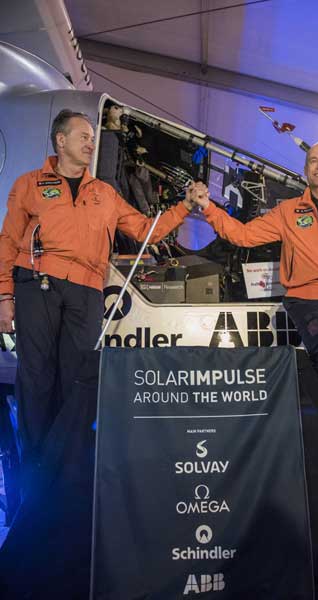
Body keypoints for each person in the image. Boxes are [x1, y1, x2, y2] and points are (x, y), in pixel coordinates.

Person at [0, 108, 193, 487]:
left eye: (92, 138)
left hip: (87, 291)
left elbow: (145, 230)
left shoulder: (105, 193)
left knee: (77, 380)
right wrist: (4, 295)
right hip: (36, 283)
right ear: (60, 140)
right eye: (84, 136)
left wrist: (184, 207)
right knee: (36, 379)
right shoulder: (29, 184)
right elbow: (7, 241)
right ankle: (33, 476)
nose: (91, 143)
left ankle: (66, 472)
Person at [189, 141, 318, 452]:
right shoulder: (287, 211)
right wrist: (208, 207)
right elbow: (243, 235)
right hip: (303, 301)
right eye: (313, 161)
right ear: (306, 169)